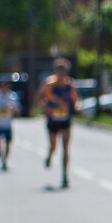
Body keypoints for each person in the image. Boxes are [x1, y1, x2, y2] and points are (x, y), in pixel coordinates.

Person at [34, 59, 80, 188]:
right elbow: (39, 97)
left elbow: (76, 99)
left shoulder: (70, 85)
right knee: (53, 145)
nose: (61, 72)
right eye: (59, 69)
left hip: (65, 119)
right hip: (53, 119)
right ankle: (50, 154)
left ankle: (65, 176)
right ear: (55, 71)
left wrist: (77, 106)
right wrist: (44, 105)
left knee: (65, 148)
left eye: (63, 69)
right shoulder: (49, 84)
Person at [0, 79, 22, 171]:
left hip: (7, 124)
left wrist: (13, 109)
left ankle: (5, 160)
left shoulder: (12, 96)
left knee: (8, 143)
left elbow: (18, 110)